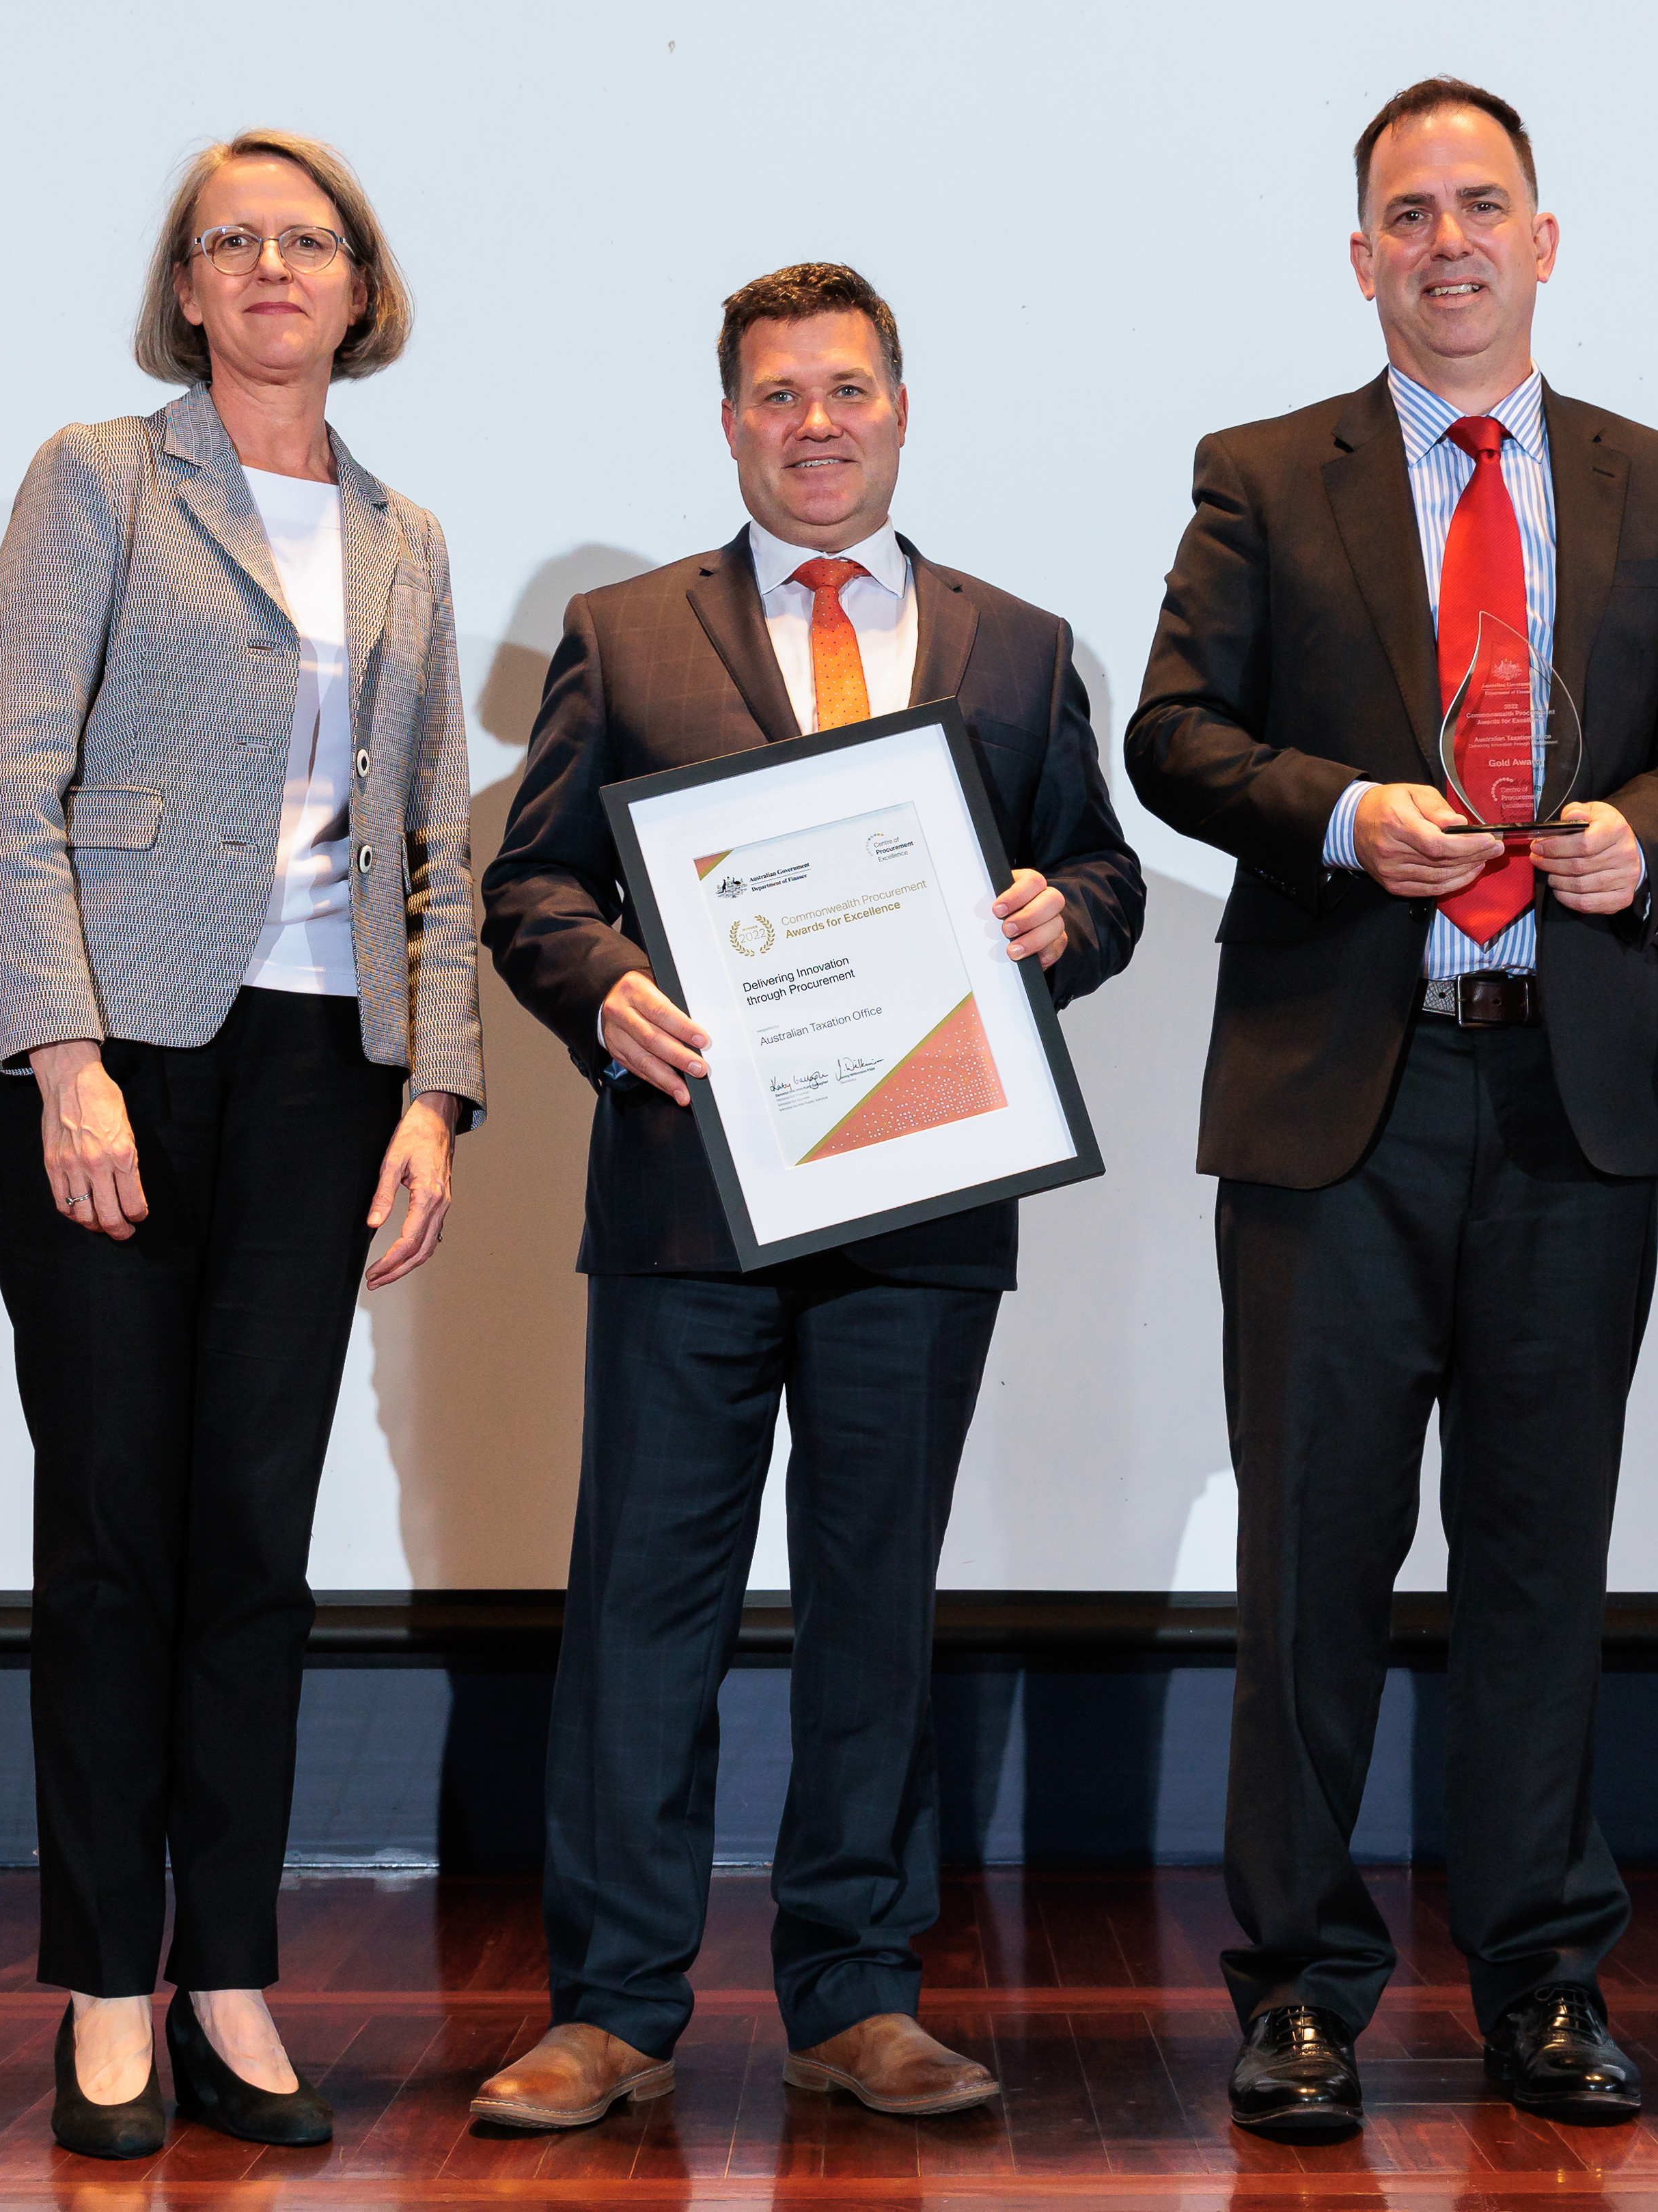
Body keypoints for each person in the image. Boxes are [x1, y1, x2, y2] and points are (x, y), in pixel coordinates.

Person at [1126, 79, 1658, 2139]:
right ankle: (1301, 1992)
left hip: (1567, 1092)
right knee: (1310, 1564)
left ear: (1543, 238)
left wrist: (1639, 845)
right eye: (1404, 214)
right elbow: (1171, 736)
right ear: (1359, 259)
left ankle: (1538, 1982)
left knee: (1536, 1559)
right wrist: (1335, 812)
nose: (1446, 241)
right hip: (1341, 1099)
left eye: (1478, 204)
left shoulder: (1653, 483)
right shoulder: (1260, 474)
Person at [470, 263, 1144, 2129]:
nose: (815, 423)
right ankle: (611, 2006)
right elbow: (531, 885)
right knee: (643, 1606)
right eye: (777, 395)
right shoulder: (624, 630)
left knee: (872, 1607)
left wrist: (1059, 919)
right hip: (689, 1197)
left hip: (921, 1202)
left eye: (846, 389)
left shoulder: (1014, 646)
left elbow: (1103, 871)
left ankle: (855, 1994)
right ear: (729, 422)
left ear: (902, 408)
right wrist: (599, 984)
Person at [0, 128, 482, 2160]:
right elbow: (7, 787)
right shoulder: (102, 474)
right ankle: (104, 1980)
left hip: (319, 1074)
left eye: (309, 240)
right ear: (187, 289)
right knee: (112, 1537)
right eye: (231, 242)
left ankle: (232, 1976)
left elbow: (431, 835)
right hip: (118, 1066)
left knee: (255, 1543)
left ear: (360, 287)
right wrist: (62, 1057)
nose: (272, 267)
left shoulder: (408, 532)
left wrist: (433, 1091)